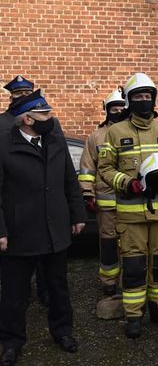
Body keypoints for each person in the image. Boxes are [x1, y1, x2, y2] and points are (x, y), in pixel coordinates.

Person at [0, 90, 86, 364]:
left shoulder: (55, 141)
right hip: (19, 233)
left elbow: (69, 182)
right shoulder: (4, 146)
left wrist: (78, 215)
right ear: (27, 118)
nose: (51, 117)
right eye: (44, 114)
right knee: (15, 294)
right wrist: (0, 230)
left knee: (58, 287)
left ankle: (62, 331)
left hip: (55, 231)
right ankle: (12, 342)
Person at [98, 73, 158, 338]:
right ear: (128, 101)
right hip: (130, 215)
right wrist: (126, 183)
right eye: (138, 97)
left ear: (154, 99)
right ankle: (134, 315)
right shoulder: (115, 132)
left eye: (147, 96)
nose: (143, 101)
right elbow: (105, 168)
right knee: (134, 268)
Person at [1, 76, 51, 307]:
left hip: (44, 210)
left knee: (48, 269)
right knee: (15, 275)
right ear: (11, 97)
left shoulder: (48, 123)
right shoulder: (3, 123)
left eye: (27, 93)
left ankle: (44, 294)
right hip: (18, 210)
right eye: (19, 94)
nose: (24, 96)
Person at [79, 87, 126, 296]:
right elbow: (87, 168)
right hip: (106, 204)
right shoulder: (96, 137)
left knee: (131, 245)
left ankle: (130, 282)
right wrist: (88, 194)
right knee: (108, 245)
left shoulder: (131, 133)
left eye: (120, 107)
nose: (117, 111)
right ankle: (109, 281)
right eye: (113, 108)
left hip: (131, 201)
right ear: (106, 110)